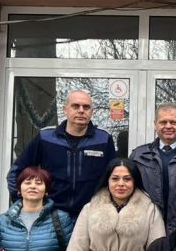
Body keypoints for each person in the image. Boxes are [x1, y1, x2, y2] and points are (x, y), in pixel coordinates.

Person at [7, 90, 117, 219]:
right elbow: (16, 172)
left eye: (86, 107)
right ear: (65, 110)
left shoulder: (103, 140)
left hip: (91, 215)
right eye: (75, 106)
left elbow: (114, 176)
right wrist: (22, 203)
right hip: (50, 215)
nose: (81, 111)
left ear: (92, 112)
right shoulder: (46, 138)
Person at [130, 104, 176, 234]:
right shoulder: (138, 156)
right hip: (145, 228)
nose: (168, 126)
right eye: (163, 122)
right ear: (155, 125)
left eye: (173, 122)